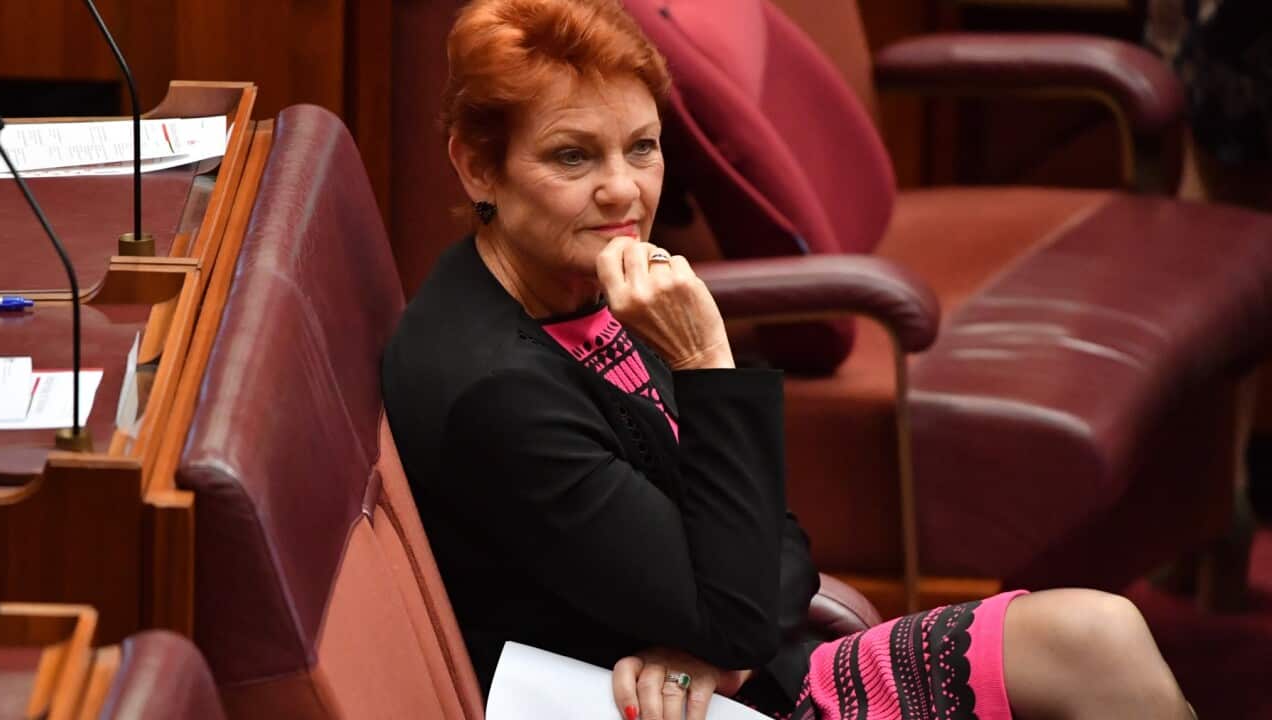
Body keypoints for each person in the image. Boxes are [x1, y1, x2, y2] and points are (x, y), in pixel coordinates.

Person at [381, 0, 1197, 717]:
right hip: (684, 705)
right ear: (477, 165)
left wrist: (728, 631)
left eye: (641, 147)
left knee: (1104, 633)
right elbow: (741, 589)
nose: (623, 192)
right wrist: (707, 363)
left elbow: (777, 539)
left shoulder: (581, 287)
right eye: (572, 157)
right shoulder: (495, 391)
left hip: (748, 670)